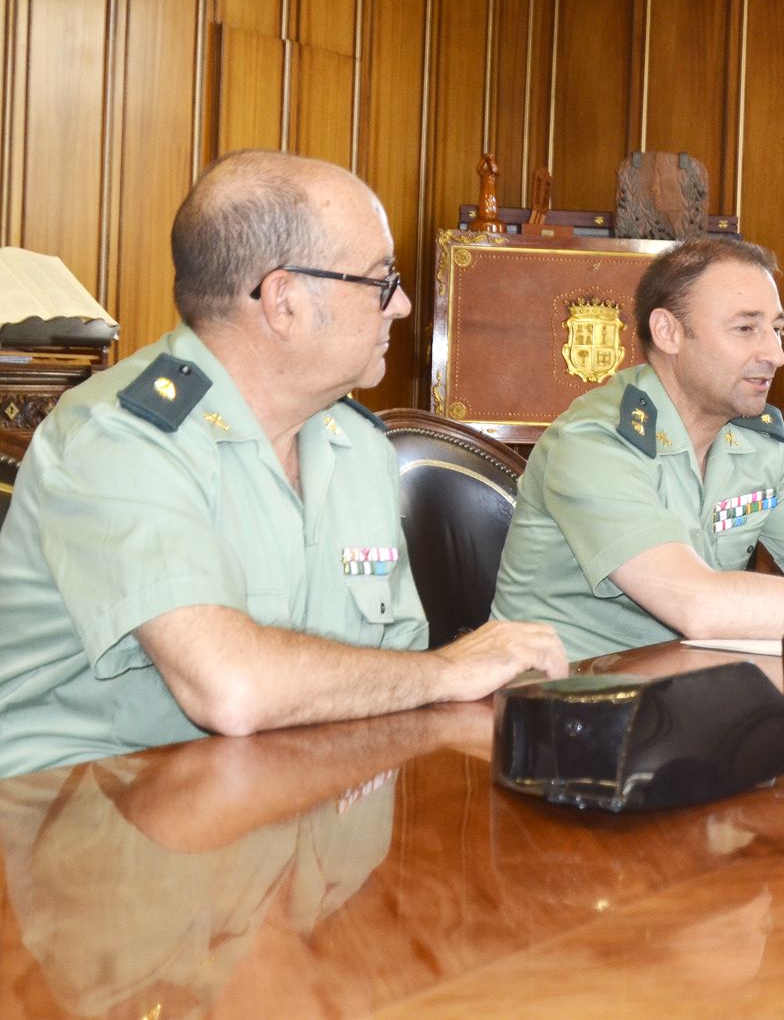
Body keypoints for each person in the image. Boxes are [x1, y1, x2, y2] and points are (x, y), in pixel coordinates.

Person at [0, 151, 569, 780]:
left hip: (295, 808)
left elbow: (389, 685)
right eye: (381, 280)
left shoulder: (357, 447)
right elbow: (232, 688)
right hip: (81, 822)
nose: (402, 305)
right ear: (284, 301)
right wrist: (448, 671)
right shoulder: (118, 440)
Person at [490, 236, 784, 660]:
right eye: (746, 328)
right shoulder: (595, 444)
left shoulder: (755, 440)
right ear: (669, 332)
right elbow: (699, 606)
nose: (776, 354)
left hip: (691, 697)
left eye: (777, 328)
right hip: (564, 712)